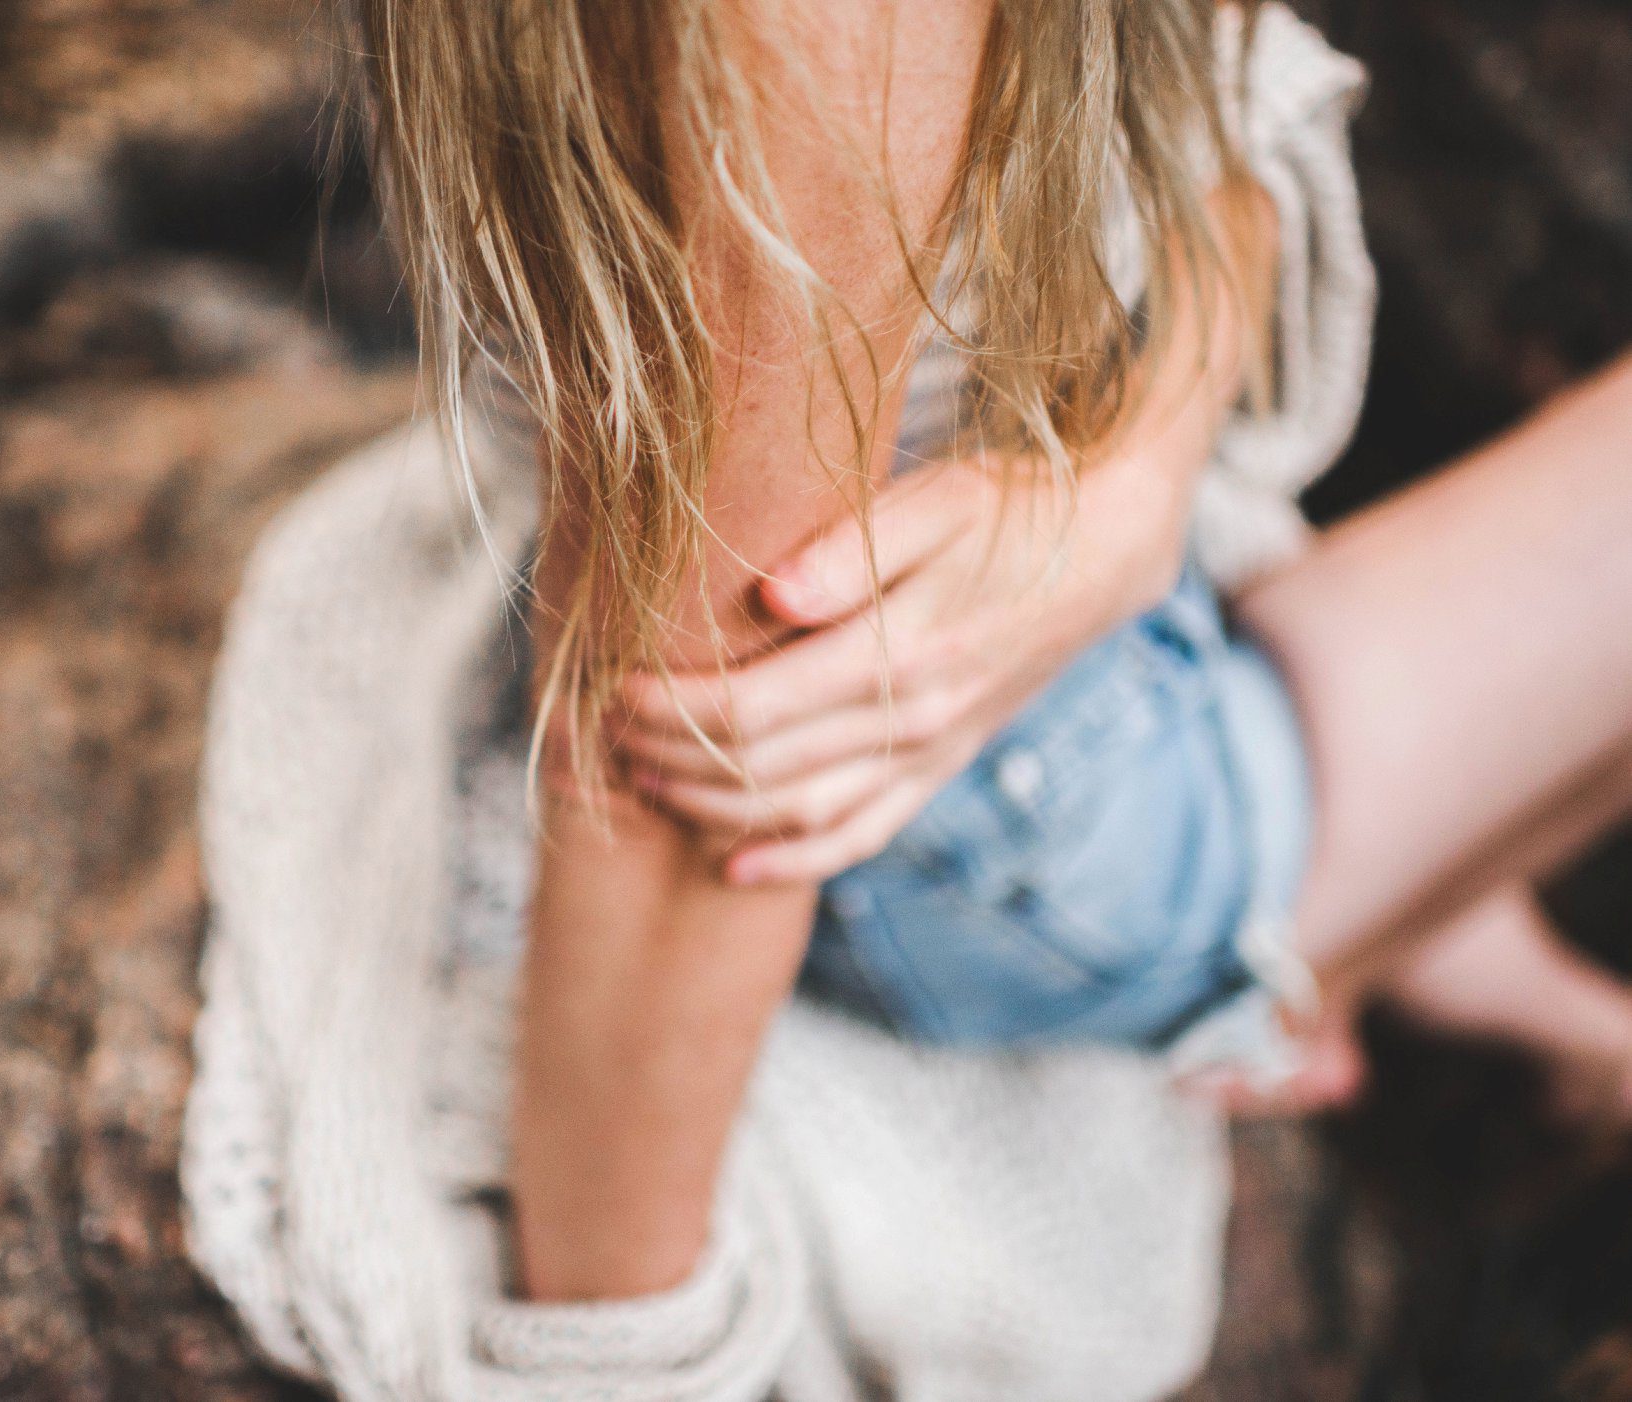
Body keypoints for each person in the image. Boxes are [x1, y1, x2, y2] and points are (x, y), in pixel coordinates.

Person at [347, 0, 1632, 1311]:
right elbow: (694, 743)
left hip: (1119, 602)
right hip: (1006, 816)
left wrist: (1132, 479)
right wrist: (614, 1333)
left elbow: (1210, 100)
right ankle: (1312, 923)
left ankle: (1405, 934)